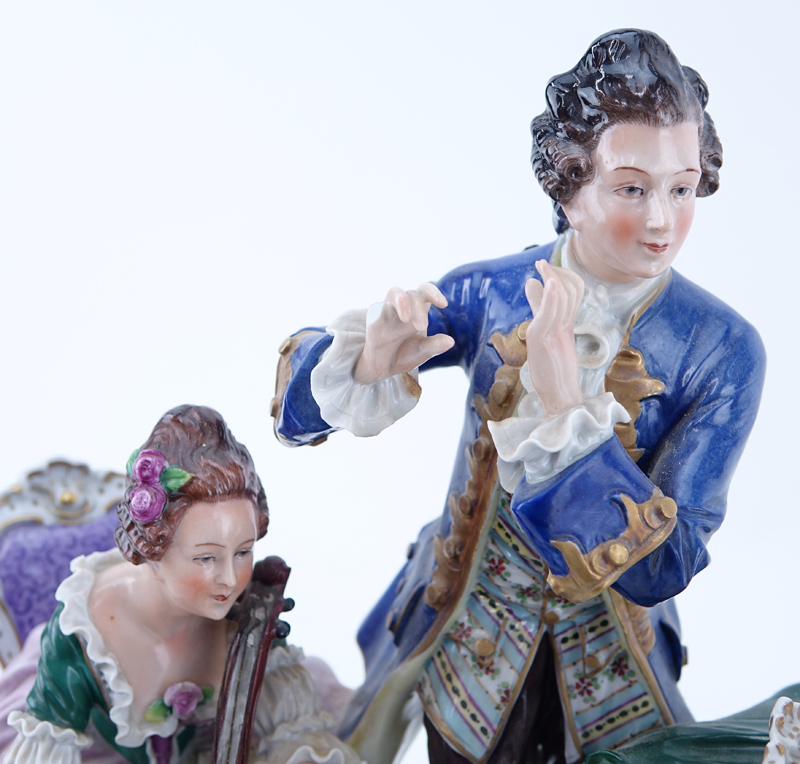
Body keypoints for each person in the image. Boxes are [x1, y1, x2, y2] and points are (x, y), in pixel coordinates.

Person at [272, 29, 765, 764]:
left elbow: (669, 563)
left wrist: (572, 416)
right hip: (470, 649)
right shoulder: (493, 292)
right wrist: (368, 359)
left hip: (612, 678)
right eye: (632, 187)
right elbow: (296, 415)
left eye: (683, 187)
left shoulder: (721, 349)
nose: (663, 219)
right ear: (569, 185)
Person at [4, 404, 360, 764]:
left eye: (243, 552)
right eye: (206, 558)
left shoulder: (248, 619)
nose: (231, 578)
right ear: (152, 549)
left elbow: (291, 737)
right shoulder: (83, 638)